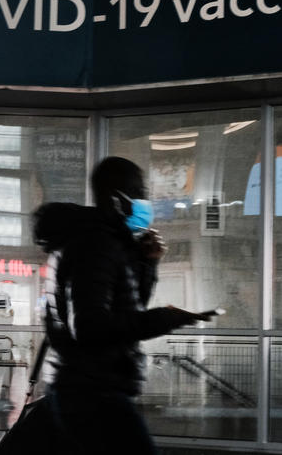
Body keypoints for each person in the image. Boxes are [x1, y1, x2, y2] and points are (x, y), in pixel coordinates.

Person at [33, 156, 210, 455]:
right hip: (91, 393)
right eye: (139, 192)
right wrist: (166, 317)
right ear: (118, 199)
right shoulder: (94, 245)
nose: (145, 201)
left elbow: (126, 310)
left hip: (89, 387)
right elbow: (91, 327)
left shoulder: (105, 243)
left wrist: (147, 263)